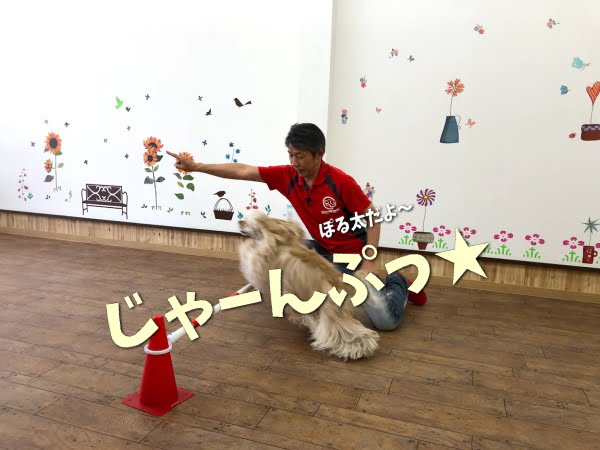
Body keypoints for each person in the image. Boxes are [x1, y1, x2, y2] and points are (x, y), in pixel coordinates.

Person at [166, 123, 426, 331]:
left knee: (385, 321)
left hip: (353, 258)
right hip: (321, 250)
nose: (294, 162)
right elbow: (244, 170)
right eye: (290, 154)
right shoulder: (288, 176)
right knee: (277, 249)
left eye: (300, 156)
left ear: (319, 153)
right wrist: (196, 167)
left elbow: (373, 217)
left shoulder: (340, 182)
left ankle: (397, 281)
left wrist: (369, 262)